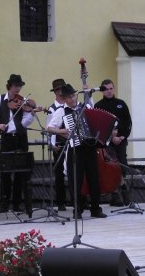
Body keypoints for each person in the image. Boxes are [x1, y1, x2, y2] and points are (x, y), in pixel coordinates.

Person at [47, 84, 107, 219]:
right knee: (76, 181)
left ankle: (95, 209)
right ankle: (77, 210)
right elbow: (50, 128)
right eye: (69, 97)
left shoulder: (86, 107)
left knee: (94, 179)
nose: (73, 99)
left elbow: (95, 122)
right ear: (64, 98)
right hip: (75, 149)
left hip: (90, 148)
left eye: (73, 95)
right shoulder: (61, 111)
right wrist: (61, 131)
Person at [0, 74, 35, 213]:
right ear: (9, 86)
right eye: (15, 86)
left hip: (20, 138)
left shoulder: (23, 101)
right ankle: (4, 203)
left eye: (19, 86)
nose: (18, 89)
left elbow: (25, 123)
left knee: (21, 172)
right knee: (5, 172)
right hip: (7, 139)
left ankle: (16, 204)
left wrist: (30, 113)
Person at [94, 79, 132, 206]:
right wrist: (110, 136)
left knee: (122, 166)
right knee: (110, 168)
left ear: (114, 89)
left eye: (111, 88)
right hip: (106, 143)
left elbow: (128, 123)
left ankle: (124, 192)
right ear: (102, 91)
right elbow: (97, 126)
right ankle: (116, 196)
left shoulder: (121, 104)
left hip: (120, 141)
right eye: (106, 89)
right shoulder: (98, 106)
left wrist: (121, 137)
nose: (109, 91)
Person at [46, 78, 68, 211]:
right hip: (58, 144)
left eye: (62, 89)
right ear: (55, 91)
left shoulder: (69, 105)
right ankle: (61, 202)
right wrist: (52, 144)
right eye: (58, 89)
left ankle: (78, 200)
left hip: (71, 143)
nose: (60, 92)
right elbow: (49, 128)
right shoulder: (52, 108)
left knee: (74, 172)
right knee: (59, 174)